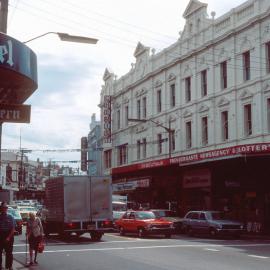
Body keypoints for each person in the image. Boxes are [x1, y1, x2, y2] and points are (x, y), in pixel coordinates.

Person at [0, 201, 15, 270]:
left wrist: (8, 237)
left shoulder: (10, 216)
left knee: (9, 252)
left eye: (6, 207)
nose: (5, 209)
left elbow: (13, 229)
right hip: (1, 235)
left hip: (9, 235)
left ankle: (9, 266)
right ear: (1, 208)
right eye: (3, 207)